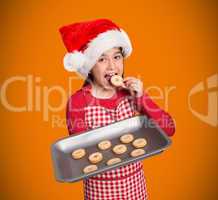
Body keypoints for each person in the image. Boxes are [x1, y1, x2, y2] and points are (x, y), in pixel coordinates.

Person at [59, 18, 175, 200]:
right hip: (100, 193)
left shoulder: (131, 93)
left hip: (136, 190)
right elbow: (79, 157)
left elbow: (169, 129)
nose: (112, 66)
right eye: (101, 59)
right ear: (90, 66)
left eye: (116, 57)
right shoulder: (78, 102)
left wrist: (142, 97)